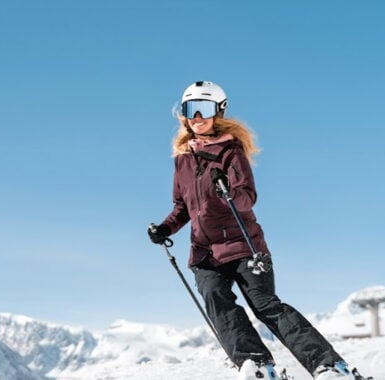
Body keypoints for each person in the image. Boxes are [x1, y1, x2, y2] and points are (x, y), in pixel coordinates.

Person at [147, 81, 366, 380]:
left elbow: (247, 196)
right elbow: (182, 207)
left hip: (243, 244)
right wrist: (164, 228)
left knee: (266, 306)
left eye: (205, 109)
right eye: (190, 110)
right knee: (216, 300)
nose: (197, 117)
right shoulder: (183, 160)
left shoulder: (231, 151)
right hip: (205, 253)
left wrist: (227, 191)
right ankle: (258, 365)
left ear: (218, 112)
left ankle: (329, 366)